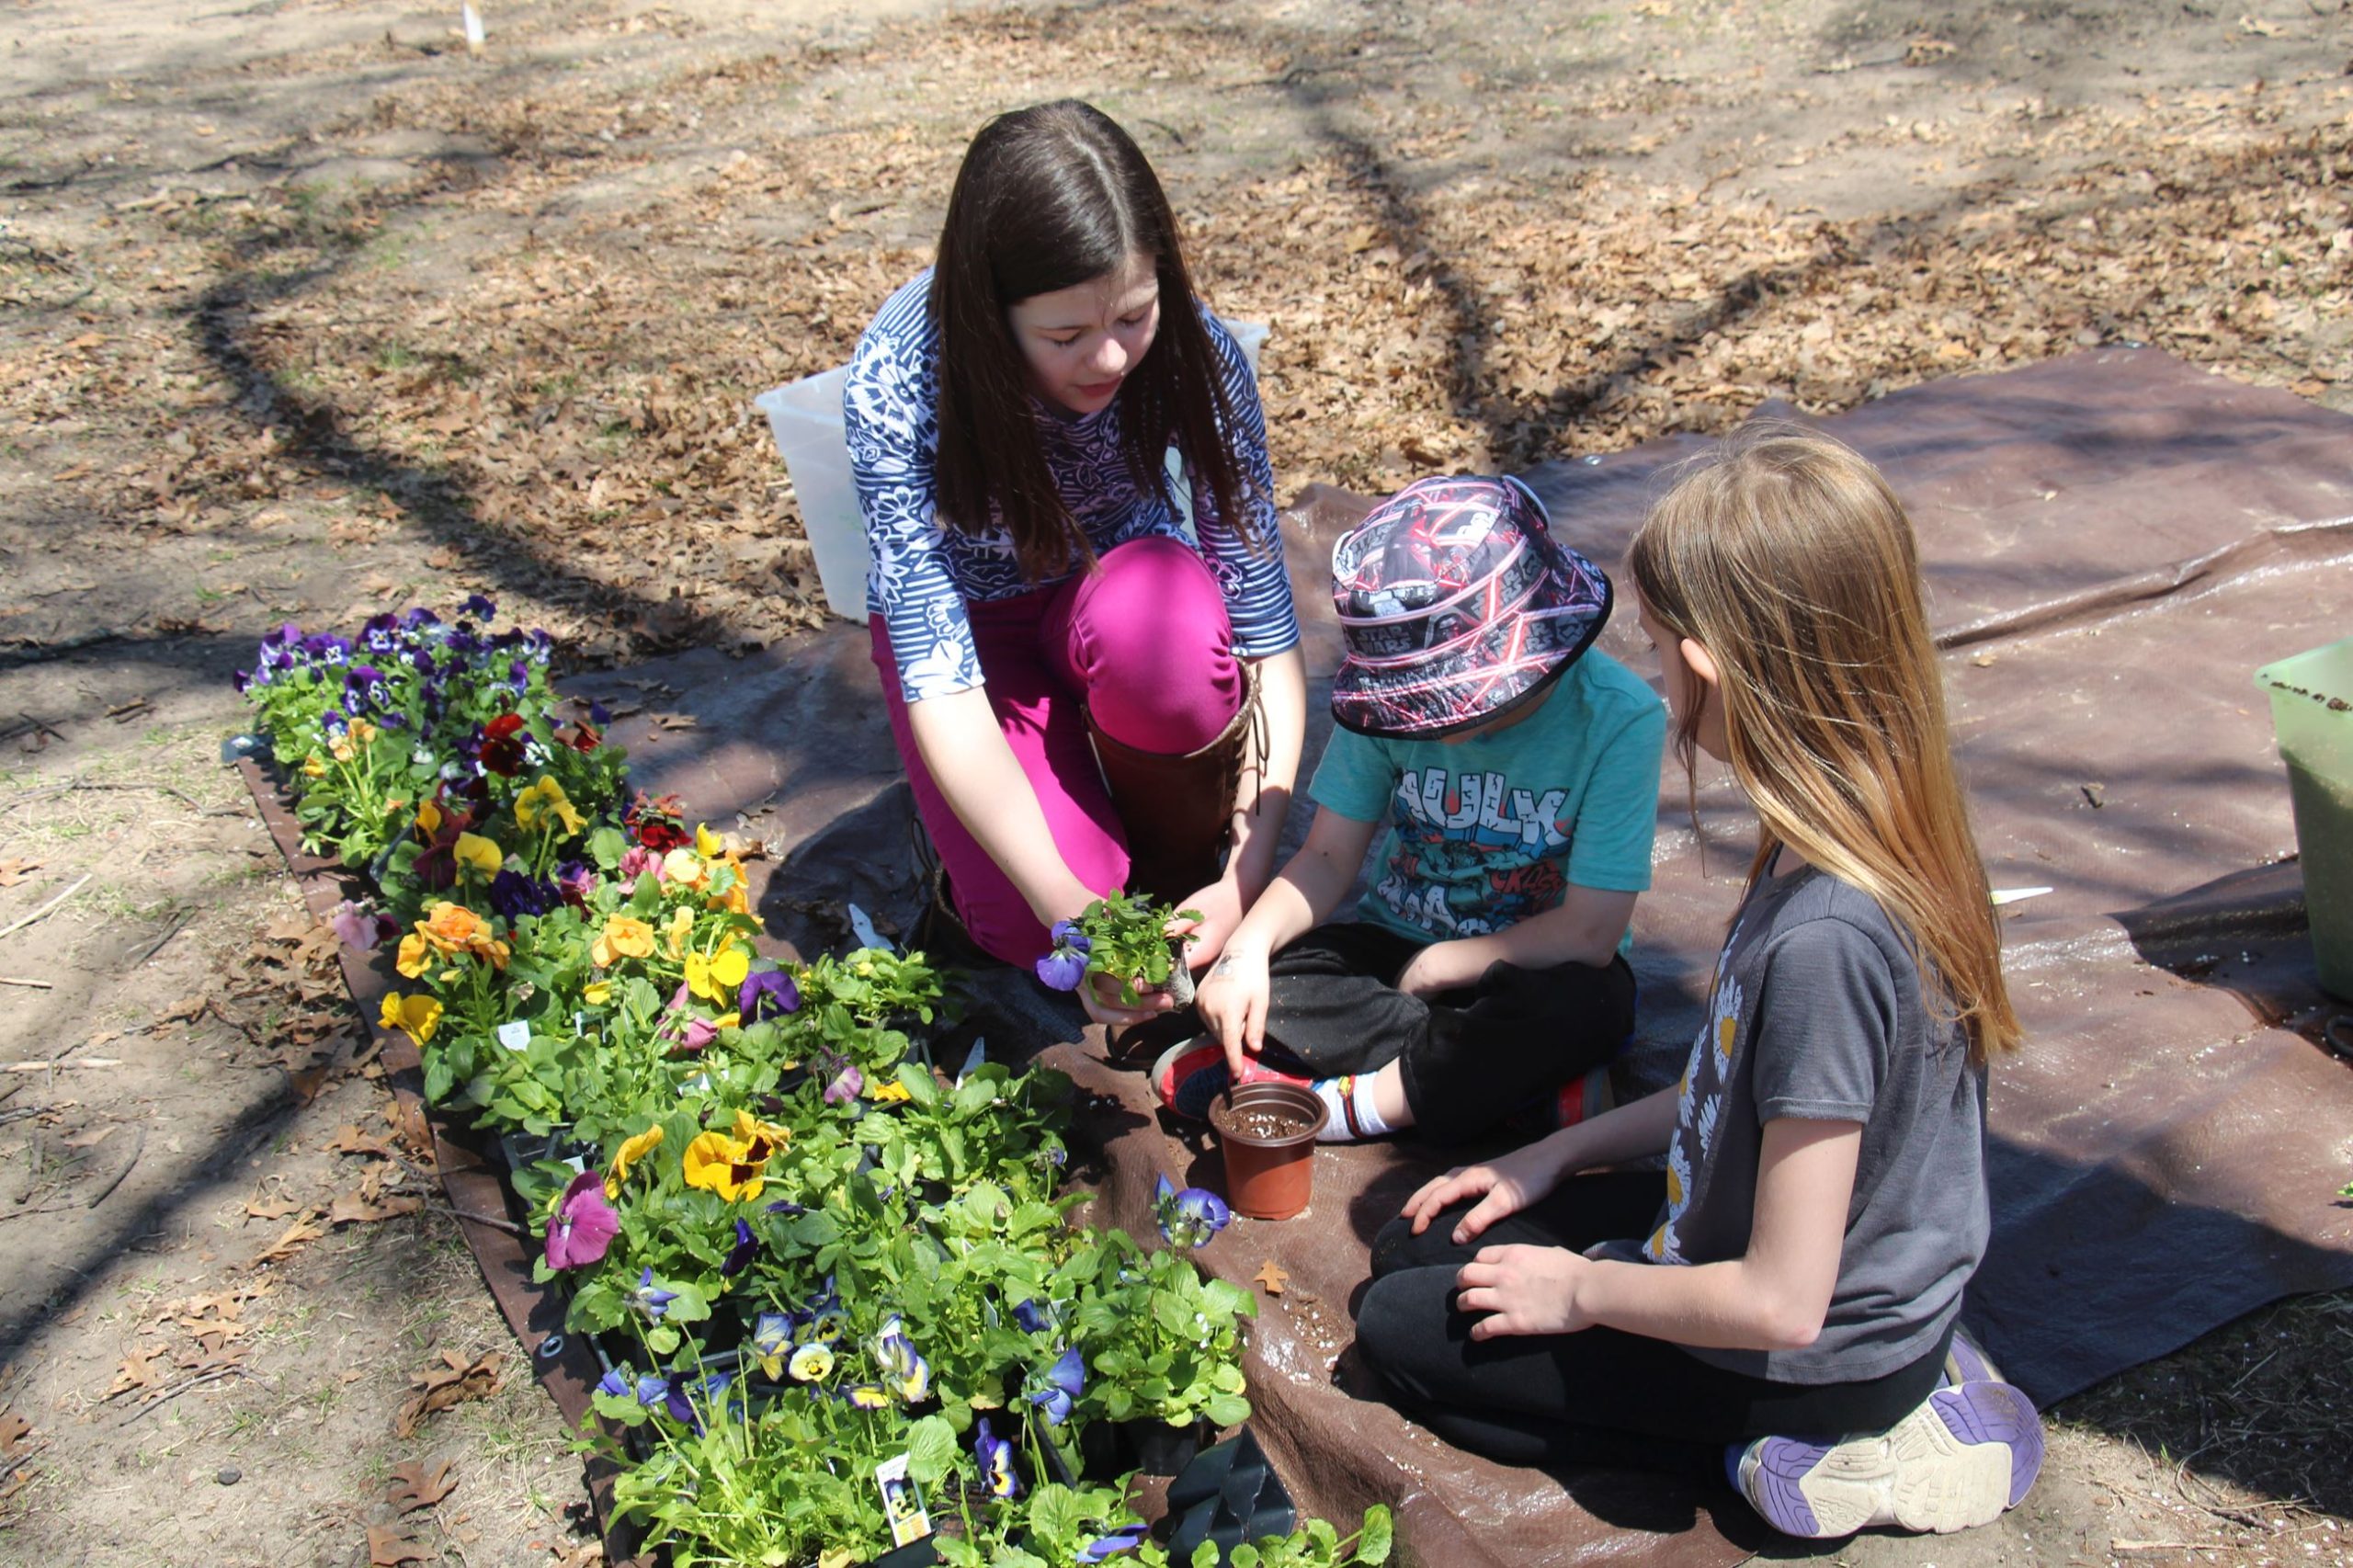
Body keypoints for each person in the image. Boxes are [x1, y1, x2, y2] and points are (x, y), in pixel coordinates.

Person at [1349, 427, 2044, 1540]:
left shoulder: (1826, 936)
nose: (1657, 674)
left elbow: (1779, 1298)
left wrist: (1578, 1288)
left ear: (1709, 667)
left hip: (1811, 1348)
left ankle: (1862, 1442)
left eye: (1662, 646)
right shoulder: (1861, 821)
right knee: (1423, 1247)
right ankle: (1879, 1379)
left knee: (1400, 1329)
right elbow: (1746, 1082)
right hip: (1760, 1244)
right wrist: (1555, 1154)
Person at [843, 100, 1307, 997]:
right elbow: (939, 676)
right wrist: (1072, 906)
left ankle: (1176, 860)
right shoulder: (903, 375)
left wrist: (1247, 870)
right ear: (989, 315)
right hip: (973, 636)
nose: (1107, 358)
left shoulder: (1192, 353)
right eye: (1063, 337)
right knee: (1028, 925)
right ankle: (1046, 849)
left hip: (1120, 590)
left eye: (1133, 316)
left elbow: (1264, 629)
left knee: (1164, 639)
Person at [1177, 473, 1666, 1144]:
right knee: (1290, 981)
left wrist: (1447, 963)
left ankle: (1355, 1104)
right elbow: (1324, 857)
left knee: (1593, 1007)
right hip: (1392, 947)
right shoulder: (1383, 710)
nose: (1429, 727)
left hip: (1535, 961)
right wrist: (1246, 951)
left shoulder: (1619, 719)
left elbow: (1590, 932)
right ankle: (1506, 1087)